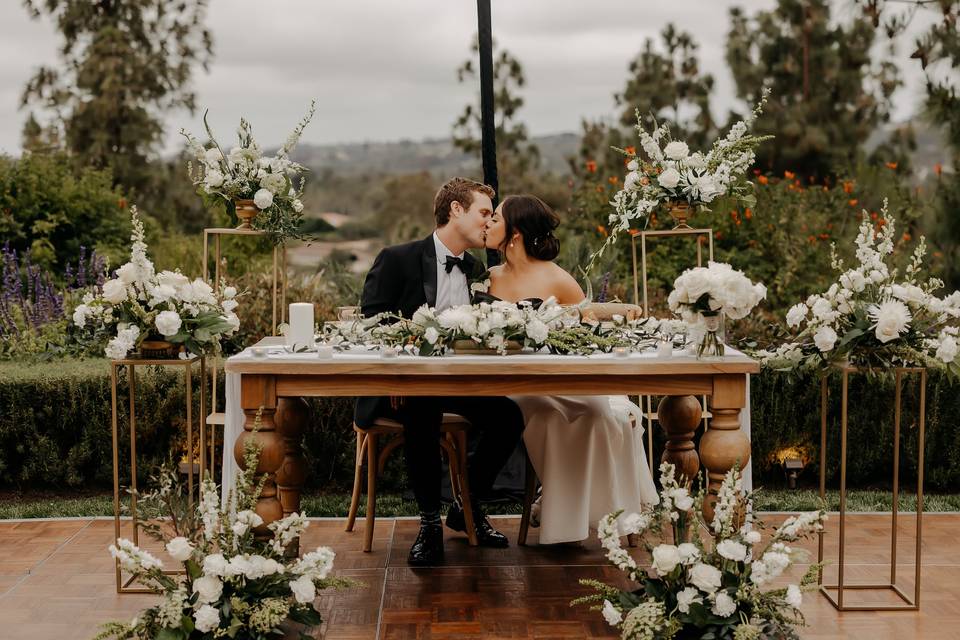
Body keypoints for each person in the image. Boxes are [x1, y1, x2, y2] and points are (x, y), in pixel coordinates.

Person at [355, 177, 525, 566]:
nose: (488, 222)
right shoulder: (397, 258)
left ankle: (466, 507)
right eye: (484, 212)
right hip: (402, 387)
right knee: (422, 405)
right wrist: (400, 372)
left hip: (459, 384)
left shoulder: (477, 268)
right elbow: (371, 323)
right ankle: (429, 524)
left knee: (509, 417)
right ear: (456, 210)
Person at [483, 194, 659, 544]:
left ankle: (583, 514)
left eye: (495, 218)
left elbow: (585, 328)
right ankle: (564, 514)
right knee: (558, 415)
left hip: (561, 374)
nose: (487, 223)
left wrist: (613, 314)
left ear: (514, 232)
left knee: (601, 414)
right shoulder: (487, 279)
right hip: (514, 382)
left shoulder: (558, 278)